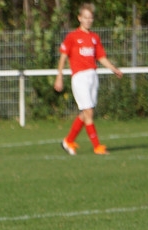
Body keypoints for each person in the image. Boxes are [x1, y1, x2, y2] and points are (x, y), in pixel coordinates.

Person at [54, 3, 123, 156]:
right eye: (85, 17)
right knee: (88, 112)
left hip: (92, 76)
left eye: (90, 18)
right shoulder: (72, 37)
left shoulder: (94, 38)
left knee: (86, 113)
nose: (88, 20)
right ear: (79, 18)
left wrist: (113, 69)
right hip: (80, 78)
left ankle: (68, 141)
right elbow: (63, 57)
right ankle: (97, 146)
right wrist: (59, 76)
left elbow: (101, 57)